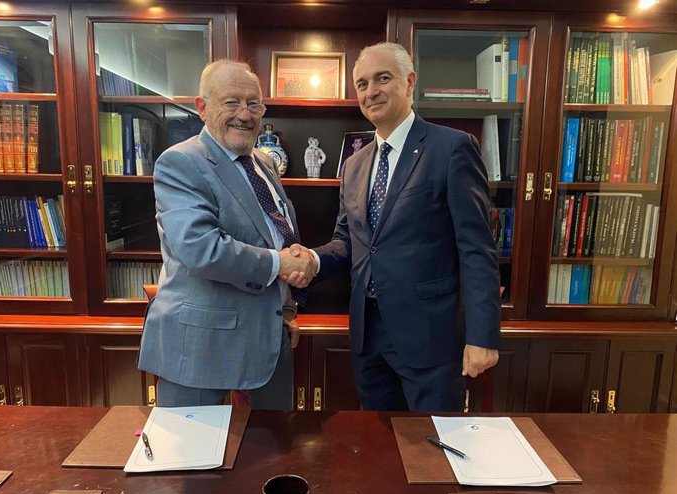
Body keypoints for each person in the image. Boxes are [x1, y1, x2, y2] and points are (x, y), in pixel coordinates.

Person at [287, 42, 500, 412]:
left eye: (383, 78)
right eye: (363, 83)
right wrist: (313, 260)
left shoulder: (451, 148)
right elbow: (348, 241)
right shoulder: (354, 164)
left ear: (409, 81)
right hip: (368, 336)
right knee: (378, 447)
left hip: (430, 338)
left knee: (433, 451)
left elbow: (476, 249)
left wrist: (483, 336)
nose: (372, 92)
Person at [138, 59, 316, 408]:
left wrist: (287, 310)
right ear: (202, 108)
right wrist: (279, 264)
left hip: (269, 341)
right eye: (231, 102)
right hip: (202, 351)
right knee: (193, 460)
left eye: (254, 104)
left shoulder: (264, 162)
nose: (245, 114)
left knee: (272, 454)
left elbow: (276, 235)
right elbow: (200, 248)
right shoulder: (180, 162)